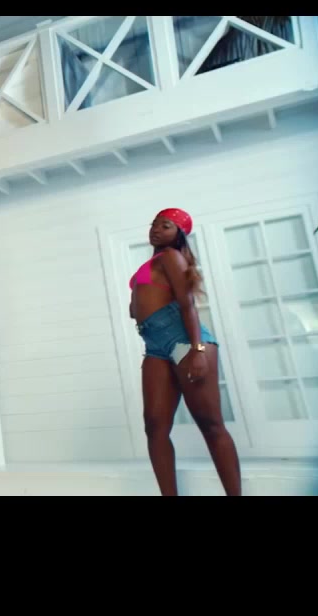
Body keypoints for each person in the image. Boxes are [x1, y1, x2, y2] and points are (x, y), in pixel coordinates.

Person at [130, 208, 240, 496]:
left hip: (182, 340)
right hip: (155, 345)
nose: (156, 229)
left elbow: (187, 303)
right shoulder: (154, 261)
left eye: (165, 225)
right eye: (154, 224)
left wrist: (197, 349)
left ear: (179, 233)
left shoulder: (171, 256)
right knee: (155, 427)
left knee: (210, 424)